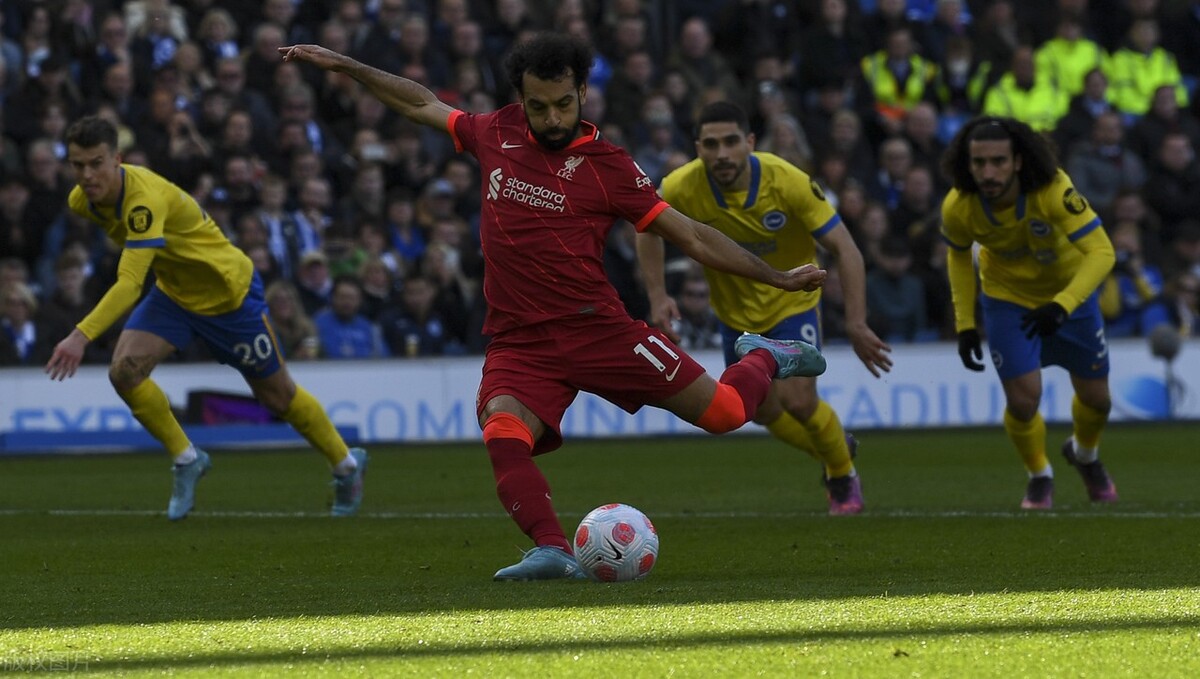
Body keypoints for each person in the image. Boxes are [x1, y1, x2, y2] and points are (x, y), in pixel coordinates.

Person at [282, 34, 828, 581]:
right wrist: (346, 64)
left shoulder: (609, 166)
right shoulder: (494, 132)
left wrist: (776, 278)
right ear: (520, 98)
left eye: (564, 104)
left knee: (728, 414)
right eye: (538, 106)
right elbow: (419, 102)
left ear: (583, 93)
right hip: (520, 340)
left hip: (600, 331)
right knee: (502, 430)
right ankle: (553, 549)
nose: (551, 118)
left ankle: (761, 356)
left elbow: (693, 237)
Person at [45, 116, 368, 521]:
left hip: (227, 297)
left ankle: (346, 466)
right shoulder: (82, 200)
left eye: (96, 163)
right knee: (124, 373)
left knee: (278, 397)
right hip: (174, 294)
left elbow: (129, 283)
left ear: (117, 159)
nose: (86, 175)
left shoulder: (143, 200)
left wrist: (80, 336)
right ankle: (187, 458)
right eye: (77, 165)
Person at [638, 101, 893, 517]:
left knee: (799, 402)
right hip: (734, 316)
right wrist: (657, 294)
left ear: (750, 143)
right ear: (698, 147)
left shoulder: (787, 180)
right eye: (712, 144)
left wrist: (856, 322)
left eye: (732, 142)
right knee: (760, 411)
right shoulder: (681, 185)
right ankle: (832, 445)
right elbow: (645, 227)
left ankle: (842, 476)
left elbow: (846, 249)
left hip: (792, 303)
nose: (722, 154)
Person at [940, 116, 1118, 510]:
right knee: (1023, 402)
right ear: (968, 164)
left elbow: (1103, 251)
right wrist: (966, 325)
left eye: (998, 161)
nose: (988, 172)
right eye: (979, 162)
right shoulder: (958, 206)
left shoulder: (1053, 189)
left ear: (1018, 161)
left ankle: (1085, 455)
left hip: (1068, 296)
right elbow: (956, 256)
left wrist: (1063, 305)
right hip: (1007, 300)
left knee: (1098, 401)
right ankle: (1039, 475)